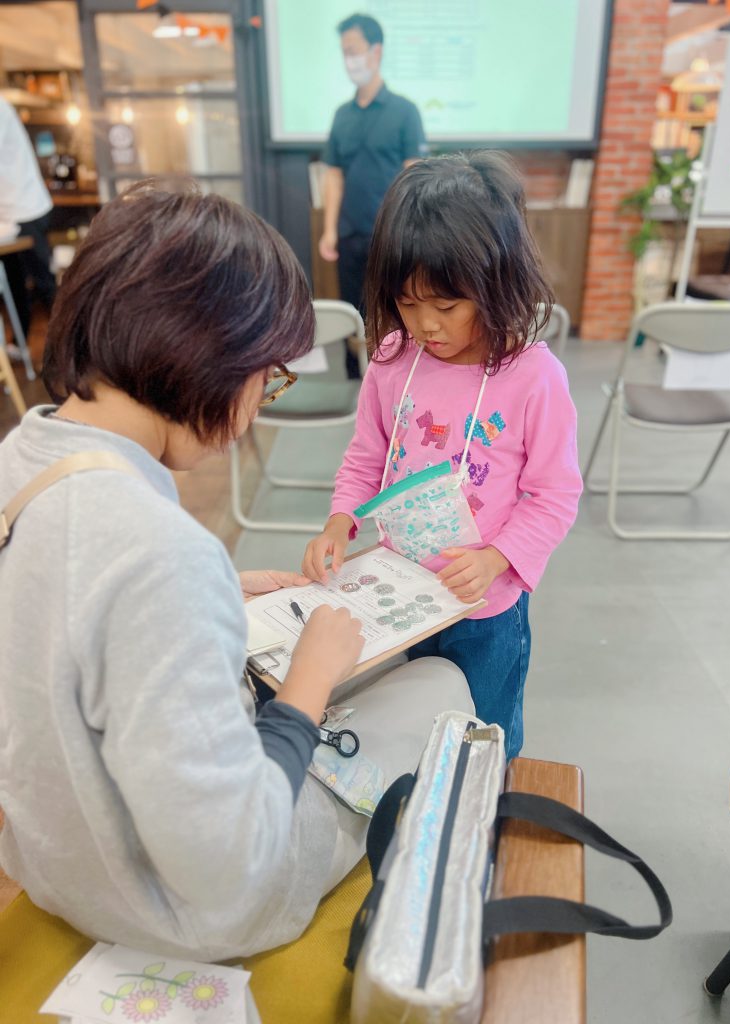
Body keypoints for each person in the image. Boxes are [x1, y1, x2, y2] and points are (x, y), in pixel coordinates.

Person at [0, 180, 473, 960]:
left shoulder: (23, 452)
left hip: (57, 861)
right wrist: (308, 687)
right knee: (437, 685)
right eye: (267, 378)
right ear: (210, 359)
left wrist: (215, 587)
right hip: (181, 911)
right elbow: (228, 862)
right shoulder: (159, 554)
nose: (259, 406)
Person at [304, 152, 583, 761]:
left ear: (497, 280)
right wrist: (340, 520)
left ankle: (483, 819)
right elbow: (365, 455)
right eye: (407, 303)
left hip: (485, 607)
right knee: (412, 729)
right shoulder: (391, 360)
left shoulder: (534, 377)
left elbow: (555, 494)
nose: (427, 324)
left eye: (448, 305)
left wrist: (495, 559)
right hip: (399, 591)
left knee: (485, 735)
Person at [320, 13, 427, 377]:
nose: (349, 59)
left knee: (395, 310)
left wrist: (412, 232)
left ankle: (396, 378)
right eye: (344, 52)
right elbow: (333, 175)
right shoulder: (341, 116)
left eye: (354, 50)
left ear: (375, 51)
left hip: (392, 236)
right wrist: (330, 230)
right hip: (350, 235)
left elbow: (414, 176)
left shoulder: (404, 112)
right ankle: (357, 380)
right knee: (354, 312)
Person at [0, 96, 57, 343]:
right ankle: (20, 341)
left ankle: (74, 348)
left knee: (43, 282)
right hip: (7, 214)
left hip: (26, 207)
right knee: (14, 283)